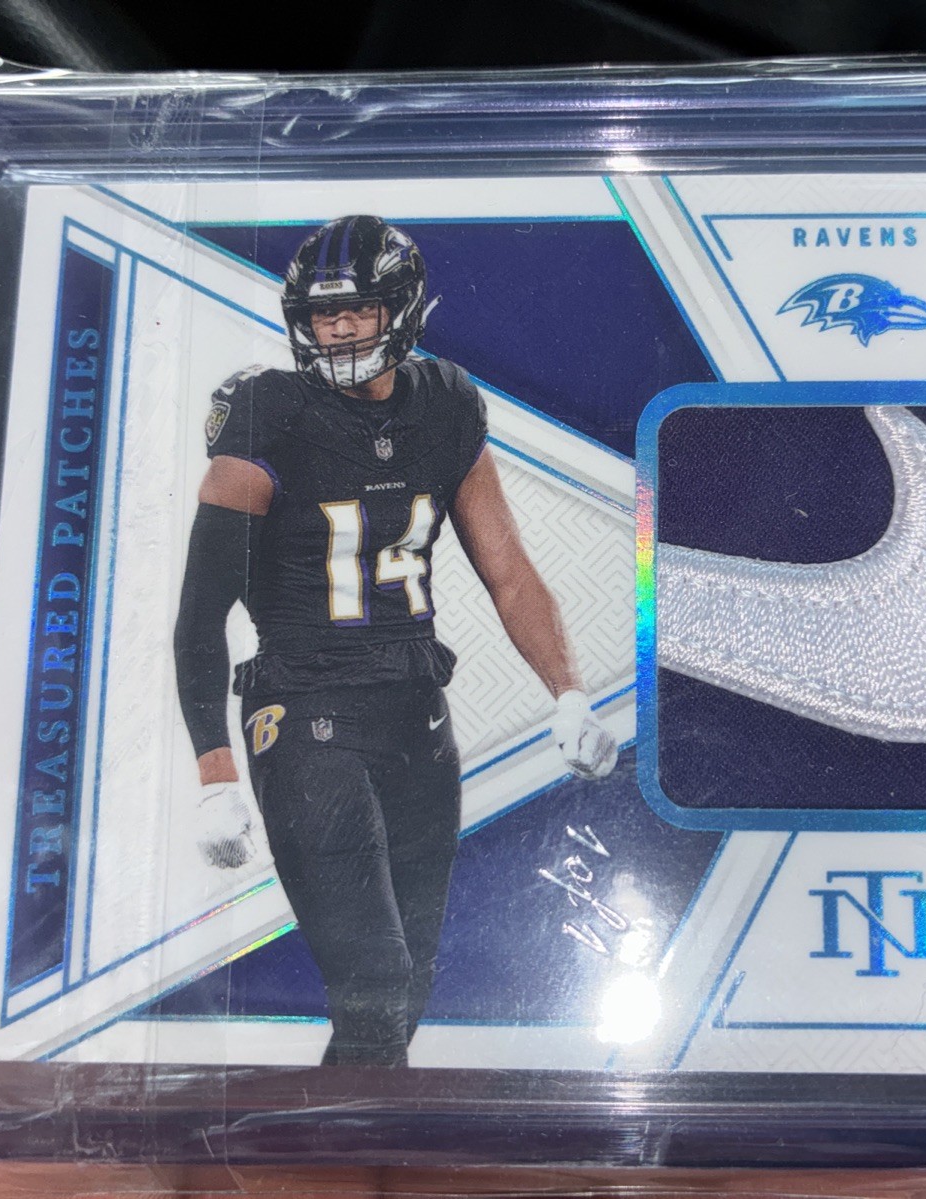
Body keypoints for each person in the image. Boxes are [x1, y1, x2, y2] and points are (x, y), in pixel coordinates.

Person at [172, 214, 618, 1067]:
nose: (338, 329)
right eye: (322, 313)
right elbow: (201, 613)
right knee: (372, 979)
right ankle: (344, 1139)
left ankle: (340, 1132)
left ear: (402, 308)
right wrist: (214, 774)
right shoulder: (268, 413)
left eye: (358, 310)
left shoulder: (444, 401)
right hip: (304, 708)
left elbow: (509, 572)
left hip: (416, 711)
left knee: (406, 987)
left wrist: (567, 691)